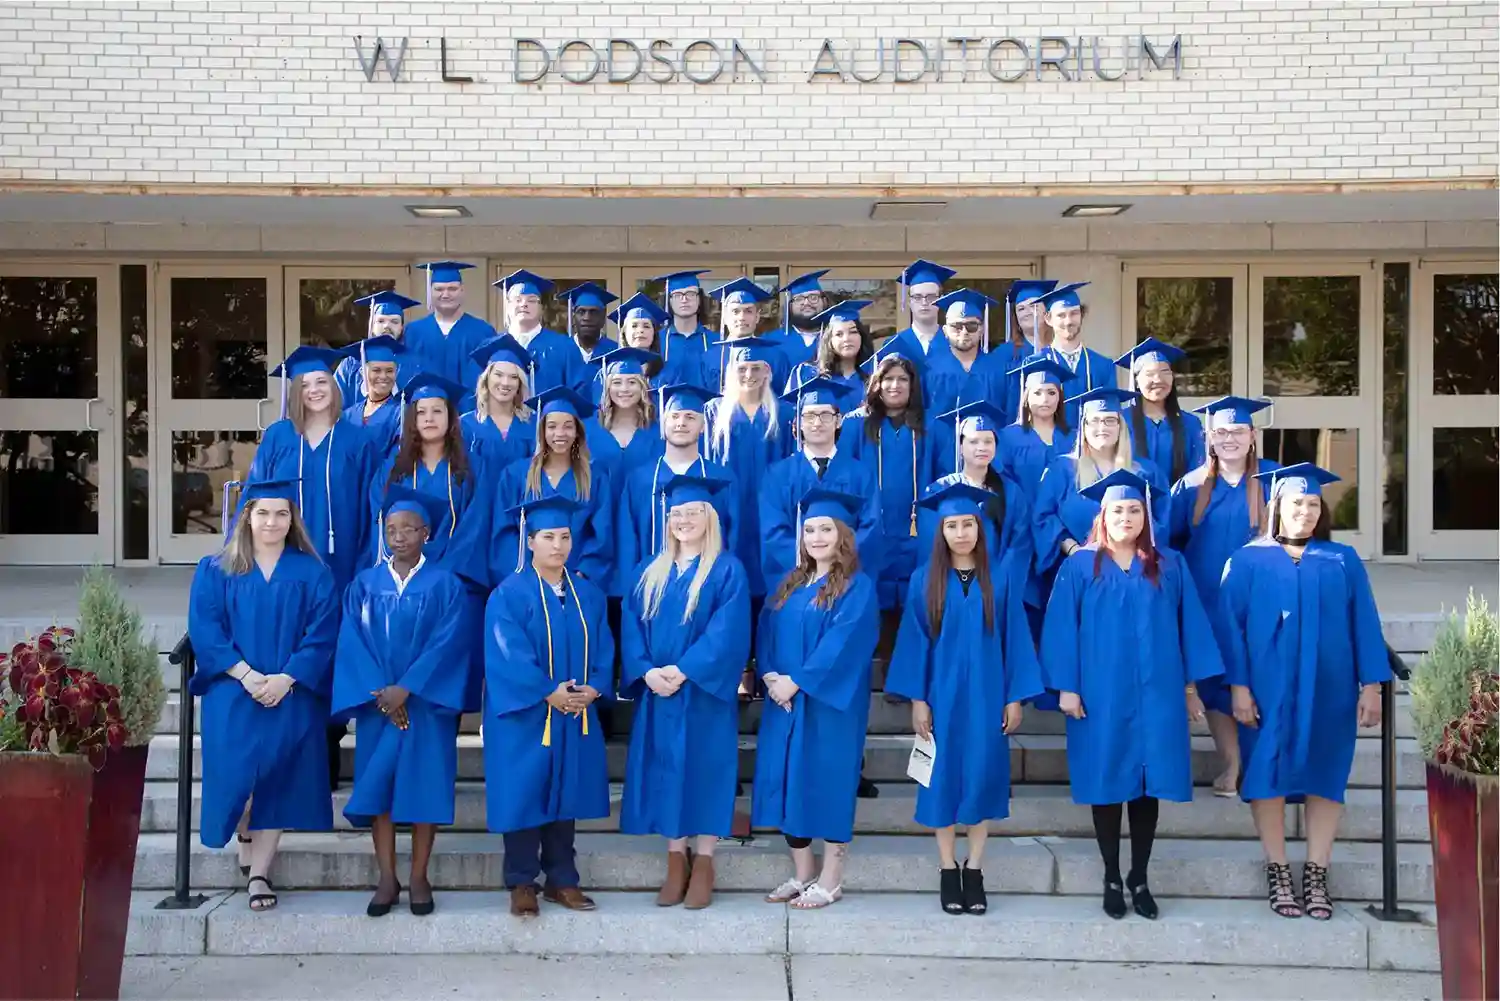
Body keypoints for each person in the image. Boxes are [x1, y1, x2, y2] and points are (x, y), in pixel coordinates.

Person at [1040, 469, 1224, 921]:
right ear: (1103, 514)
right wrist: (1067, 687)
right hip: (1100, 692)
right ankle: (1110, 876)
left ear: (1146, 516)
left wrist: (1190, 688)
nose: (1126, 517)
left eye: (1134, 509)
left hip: (1158, 692)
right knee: (1107, 782)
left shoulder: (1169, 564)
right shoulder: (1080, 565)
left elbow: (1191, 626)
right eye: (1118, 509)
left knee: (1147, 787)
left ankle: (1139, 877)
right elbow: (1062, 629)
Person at [1220, 463, 1389, 922]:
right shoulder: (1247, 559)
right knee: (1267, 777)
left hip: (1331, 689)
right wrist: (1237, 687)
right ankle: (1278, 870)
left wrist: (1371, 685)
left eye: (1314, 504)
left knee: (1325, 775)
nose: (1306, 511)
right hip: (1265, 691)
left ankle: (1316, 872)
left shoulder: (1342, 559)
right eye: (1297, 503)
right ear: (1277, 507)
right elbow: (1230, 631)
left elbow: (1365, 625)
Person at [886, 481, 1043, 916]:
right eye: (951, 525)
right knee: (940, 779)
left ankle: (974, 868)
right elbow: (915, 643)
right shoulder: (925, 580)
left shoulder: (1002, 579)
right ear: (941, 531)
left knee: (982, 775)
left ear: (980, 528)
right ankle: (946, 867)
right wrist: (918, 699)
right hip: (942, 698)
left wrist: (1015, 697)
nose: (960, 532)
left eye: (968, 524)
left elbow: (1016, 641)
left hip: (989, 696)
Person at [187, 478, 339, 913]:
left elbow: (322, 633)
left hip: (290, 692)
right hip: (232, 692)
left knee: (277, 779)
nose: (272, 521)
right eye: (263, 513)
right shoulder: (216, 569)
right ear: (247, 517)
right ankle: (244, 834)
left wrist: (285, 679)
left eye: (281, 513)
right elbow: (206, 630)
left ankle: (259, 874)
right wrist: (247, 675)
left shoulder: (312, 572)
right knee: (238, 780)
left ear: (293, 520)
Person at [332, 485, 476, 918]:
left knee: (425, 789)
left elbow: (447, 643)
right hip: (380, 707)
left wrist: (407, 689)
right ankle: (386, 877)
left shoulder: (446, 584)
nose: (398, 536)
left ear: (426, 533)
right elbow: (352, 643)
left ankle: (418, 876)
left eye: (408, 529)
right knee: (380, 792)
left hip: (426, 706)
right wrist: (382, 690)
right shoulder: (364, 583)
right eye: (391, 529)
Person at [619, 475, 752, 910]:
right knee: (667, 771)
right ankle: (676, 859)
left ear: (709, 518)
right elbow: (631, 627)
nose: (683, 520)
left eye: (693, 512)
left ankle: (706, 860)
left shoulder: (727, 569)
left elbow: (727, 632)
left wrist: (685, 668)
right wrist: (645, 671)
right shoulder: (649, 570)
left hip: (703, 694)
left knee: (706, 771)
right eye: (677, 513)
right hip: (660, 693)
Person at [483, 495, 615, 917]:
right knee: (524, 793)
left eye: (564, 536)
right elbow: (507, 653)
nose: (557, 545)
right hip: (526, 715)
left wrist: (593, 688)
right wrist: (547, 690)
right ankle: (522, 881)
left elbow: (604, 646)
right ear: (530, 541)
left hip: (574, 712)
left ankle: (563, 879)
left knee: (566, 790)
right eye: (547, 537)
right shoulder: (508, 594)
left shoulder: (587, 595)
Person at [753, 487, 880, 910]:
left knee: (828, 781)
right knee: (788, 779)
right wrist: (771, 675)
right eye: (809, 529)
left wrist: (799, 681)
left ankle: (832, 877)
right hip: (784, 700)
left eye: (826, 528)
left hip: (828, 705)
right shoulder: (789, 583)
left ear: (842, 535)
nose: (816, 537)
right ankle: (803, 871)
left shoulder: (856, 587)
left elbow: (844, 643)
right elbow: (766, 631)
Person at [1169, 395, 1278, 799]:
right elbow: (1171, 542)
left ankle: (1258, 763)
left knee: (1259, 678)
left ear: (1252, 436)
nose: (1229, 438)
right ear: (1209, 439)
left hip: (1263, 602)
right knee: (1216, 683)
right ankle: (1232, 763)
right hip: (1208, 603)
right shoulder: (1192, 486)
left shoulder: (1274, 480)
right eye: (1221, 432)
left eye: (1237, 431)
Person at [250, 346, 375, 593]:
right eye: (305, 385)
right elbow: (254, 494)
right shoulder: (278, 436)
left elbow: (369, 505)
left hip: (340, 553)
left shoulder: (358, 440)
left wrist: (366, 559)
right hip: (282, 552)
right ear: (296, 392)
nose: (314, 390)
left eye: (321, 382)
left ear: (333, 386)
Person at [1033, 387, 1169, 598]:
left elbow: (1159, 521)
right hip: (1079, 575)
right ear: (1083, 427)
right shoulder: (1062, 470)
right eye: (1094, 421)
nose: (1101, 427)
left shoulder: (1146, 472)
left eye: (1109, 420)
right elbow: (1044, 517)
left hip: (1133, 576)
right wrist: (1075, 551)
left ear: (1120, 426)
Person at [839, 346, 938, 623]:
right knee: (869, 613)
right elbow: (844, 479)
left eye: (903, 379)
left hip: (916, 531)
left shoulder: (931, 427)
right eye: (888, 379)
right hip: (870, 531)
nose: (895, 385)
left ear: (913, 385)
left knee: (915, 613)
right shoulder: (855, 425)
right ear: (877, 384)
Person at [614, 383, 737, 601]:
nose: (681, 423)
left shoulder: (723, 478)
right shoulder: (639, 480)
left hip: (707, 592)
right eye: (675, 416)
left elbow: (733, 537)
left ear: (703, 426)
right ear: (663, 424)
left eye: (690, 417)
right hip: (649, 591)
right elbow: (627, 543)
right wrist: (631, 592)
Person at [760, 376, 881, 594]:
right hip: (794, 582)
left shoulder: (861, 474)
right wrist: (810, 567)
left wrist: (836, 565)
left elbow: (870, 527)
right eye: (809, 416)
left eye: (826, 415)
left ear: (839, 421)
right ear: (797, 424)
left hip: (847, 581)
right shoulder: (777, 475)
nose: (817, 423)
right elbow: (773, 532)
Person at [370, 373, 490, 592]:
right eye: (421, 412)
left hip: (456, 579)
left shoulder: (474, 467)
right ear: (412, 420)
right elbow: (379, 519)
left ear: (450, 418)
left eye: (437, 411)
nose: (429, 418)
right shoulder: (392, 468)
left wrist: (447, 570)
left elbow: (476, 524)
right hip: (404, 578)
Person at [490, 386, 613, 588]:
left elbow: (602, 534)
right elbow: (503, 533)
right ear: (542, 430)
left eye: (568, 426)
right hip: (526, 583)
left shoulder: (594, 477)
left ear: (577, 432)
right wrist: (523, 577)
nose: (560, 433)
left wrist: (582, 576)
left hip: (575, 584)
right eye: (552, 426)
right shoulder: (516, 475)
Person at [704, 335, 790, 604]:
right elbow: (707, 466)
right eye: (742, 368)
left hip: (772, 513)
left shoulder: (784, 414)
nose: (749, 374)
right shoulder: (714, 412)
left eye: (756, 368)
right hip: (730, 512)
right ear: (732, 372)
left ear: (768, 372)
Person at [920, 401, 1033, 604]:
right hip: (951, 589)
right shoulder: (939, 490)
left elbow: (1020, 543)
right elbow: (931, 542)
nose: (981, 448)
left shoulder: (1010, 491)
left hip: (996, 588)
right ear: (960, 446)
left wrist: (999, 583)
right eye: (973, 442)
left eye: (988, 441)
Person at [403, 262, 498, 407]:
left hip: (471, 417)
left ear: (462, 290)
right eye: (439, 289)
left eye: (452, 288)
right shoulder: (413, 332)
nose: (445, 294)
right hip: (425, 417)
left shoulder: (483, 332)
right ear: (430, 292)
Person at [1118, 337, 1206, 486]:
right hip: (1133, 504)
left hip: (1180, 504)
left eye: (1165, 372)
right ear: (1137, 381)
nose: (1158, 379)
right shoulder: (1120, 421)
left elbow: (1198, 473)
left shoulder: (1190, 423)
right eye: (1150, 374)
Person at [493, 268, 589, 398]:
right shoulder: (493, 346)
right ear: (507, 306)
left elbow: (580, 393)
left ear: (542, 309)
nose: (524, 305)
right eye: (517, 300)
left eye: (532, 300)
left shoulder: (564, 347)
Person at [999, 356, 1077, 504]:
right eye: (1037, 393)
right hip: (1022, 522)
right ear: (1026, 397)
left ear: (1060, 399)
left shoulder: (1074, 438)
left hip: (1063, 522)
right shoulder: (1008, 438)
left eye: (1052, 393)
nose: (1045, 399)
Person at [1037, 282, 1115, 428]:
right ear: (1048, 319)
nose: (1068, 321)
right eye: (1061, 315)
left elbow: (1110, 415)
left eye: (1074, 313)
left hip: (1091, 446)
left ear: (1081, 315)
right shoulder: (1036, 364)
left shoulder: (1103, 366)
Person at [582, 346, 662, 488]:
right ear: (607, 388)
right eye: (617, 383)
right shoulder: (587, 430)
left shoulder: (657, 431)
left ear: (642, 387)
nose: (624, 389)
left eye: (632, 382)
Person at [925, 289, 1009, 419]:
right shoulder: (929, 371)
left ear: (981, 329)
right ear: (945, 331)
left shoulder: (1001, 369)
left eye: (972, 326)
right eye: (956, 326)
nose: (964, 332)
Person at [460, 335, 536, 476]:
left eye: (513, 377)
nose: (505, 383)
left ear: (520, 384)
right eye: (498, 375)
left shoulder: (533, 424)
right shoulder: (466, 425)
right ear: (486, 378)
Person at [335, 290, 421, 410]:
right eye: (381, 321)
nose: (387, 326)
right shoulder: (350, 365)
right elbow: (335, 406)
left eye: (394, 321)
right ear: (371, 325)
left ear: (402, 327)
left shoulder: (416, 366)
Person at [705, 276, 791, 395]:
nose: (742, 317)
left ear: (757, 317)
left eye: (748, 311)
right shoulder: (709, 358)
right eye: (735, 311)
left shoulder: (776, 357)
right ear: (724, 317)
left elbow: (783, 400)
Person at [791, 298, 875, 407]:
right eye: (839, 334)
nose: (846, 339)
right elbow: (790, 412)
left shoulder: (875, 375)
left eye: (853, 332)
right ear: (829, 340)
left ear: (862, 336)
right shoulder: (807, 374)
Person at [997, 279, 1060, 421]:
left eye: (1033, 305)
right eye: (1021, 308)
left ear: (1047, 312)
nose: (1027, 312)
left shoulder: (1060, 352)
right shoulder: (1004, 355)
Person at [339, 334, 407, 454]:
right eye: (376, 370)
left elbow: (396, 458)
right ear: (362, 372)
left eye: (389, 371)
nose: (383, 376)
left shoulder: (401, 414)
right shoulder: (348, 415)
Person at [886, 259, 959, 366]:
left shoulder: (954, 342)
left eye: (931, 297)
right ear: (909, 302)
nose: (924, 302)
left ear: (941, 300)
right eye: (917, 297)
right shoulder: (893, 344)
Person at [654, 269, 716, 388]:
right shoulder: (656, 342)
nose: (684, 299)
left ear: (699, 299)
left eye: (691, 294)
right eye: (677, 295)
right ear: (669, 300)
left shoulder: (716, 342)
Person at [602, 292, 671, 399]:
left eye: (646, 326)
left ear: (654, 333)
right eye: (634, 326)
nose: (640, 330)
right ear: (624, 332)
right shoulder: (607, 372)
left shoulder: (667, 372)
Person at [770, 269, 831, 373]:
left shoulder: (836, 338)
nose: (806, 303)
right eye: (799, 299)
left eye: (813, 297)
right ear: (790, 306)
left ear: (824, 301)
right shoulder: (770, 341)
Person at [559, 281, 621, 367]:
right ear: (573, 318)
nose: (587, 318)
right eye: (581, 312)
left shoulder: (615, 352)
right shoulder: (559, 351)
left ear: (603, 318)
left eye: (594, 312)